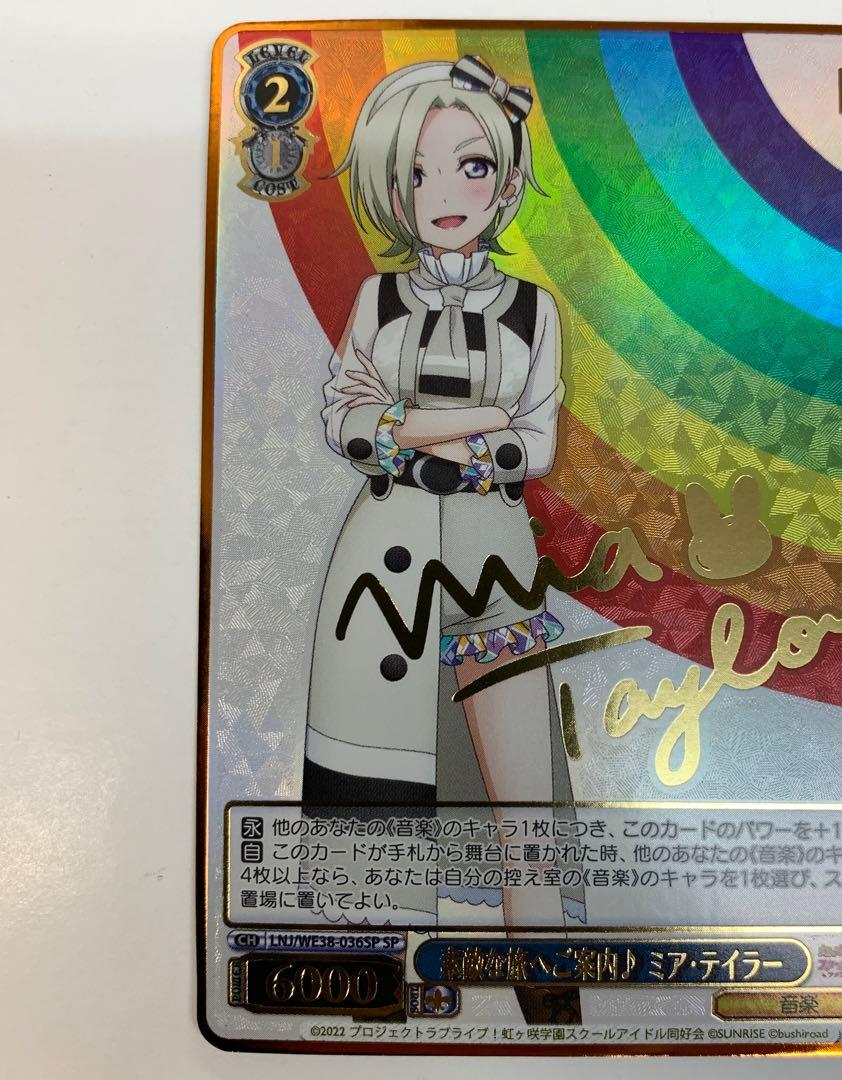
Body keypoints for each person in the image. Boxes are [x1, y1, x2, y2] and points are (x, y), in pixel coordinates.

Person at [303, 56, 584, 951]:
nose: (444, 194)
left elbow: (534, 444)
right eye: (417, 173)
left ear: (506, 180)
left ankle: (550, 987)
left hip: (493, 559)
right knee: (375, 785)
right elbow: (344, 418)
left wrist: (411, 429)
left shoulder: (533, 310)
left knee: (525, 813)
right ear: (393, 189)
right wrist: (469, 422)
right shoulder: (378, 299)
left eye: (471, 165)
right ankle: (381, 977)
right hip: (381, 565)